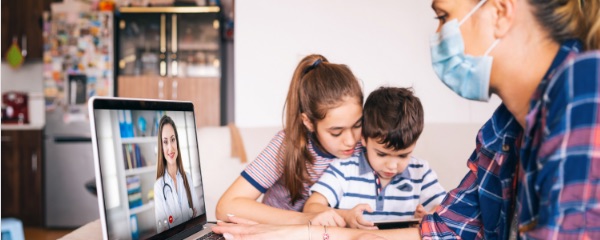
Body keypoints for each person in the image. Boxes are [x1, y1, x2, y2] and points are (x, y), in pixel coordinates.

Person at [212, 0, 600, 239]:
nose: (437, 35)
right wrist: (302, 230)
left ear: (499, 12)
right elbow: (449, 226)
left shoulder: (581, 89)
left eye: (443, 16)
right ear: (308, 123)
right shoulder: (502, 132)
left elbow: (438, 219)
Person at [215, 54, 365, 225]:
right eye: (336, 132)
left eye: (357, 125)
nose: (351, 141)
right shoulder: (287, 144)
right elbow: (226, 207)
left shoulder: (367, 143)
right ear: (308, 122)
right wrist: (306, 219)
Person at [304, 87, 446, 229]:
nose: (392, 166)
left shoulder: (421, 172)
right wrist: (345, 216)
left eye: (403, 155)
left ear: (414, 144)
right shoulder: (343, 169)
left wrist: (430, 216)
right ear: (364, 138)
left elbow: (446, 209)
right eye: (381, 154)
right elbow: (311, 207)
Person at [154, 115, 200, 233]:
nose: (170, 147)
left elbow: (198, 217)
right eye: (165, 142)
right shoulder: (159, 186)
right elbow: (162, 231)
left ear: (177, 142)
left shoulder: (187, 178)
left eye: (173, 139)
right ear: (161, 147)